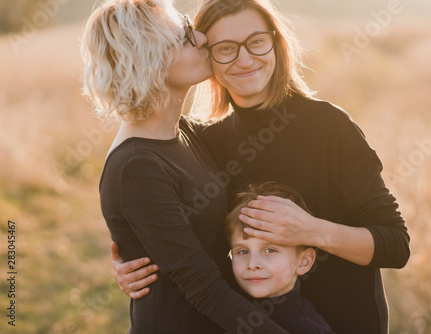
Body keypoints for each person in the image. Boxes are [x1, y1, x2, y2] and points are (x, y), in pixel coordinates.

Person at [111, 0, 411, 333]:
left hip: (346, 322)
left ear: (276, 43)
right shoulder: (205, 141)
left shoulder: (331, 128)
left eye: (256, 42)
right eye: (226, 48)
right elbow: (188, 236)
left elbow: (395, 245)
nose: (244, 59)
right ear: (206, 54)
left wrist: (311, 231)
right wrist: (140, 256)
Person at [82, 0, 291, 333]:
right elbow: (201, 285)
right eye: (184, 39)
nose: (202, 40)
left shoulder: (186, 132)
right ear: (148, 60)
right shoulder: (136, 166)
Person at [225, 181, 335, 334]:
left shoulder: (309, 329)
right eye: (242, 252)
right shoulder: (222, 310)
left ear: (304, 261)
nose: (252, 264)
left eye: (270, 250)